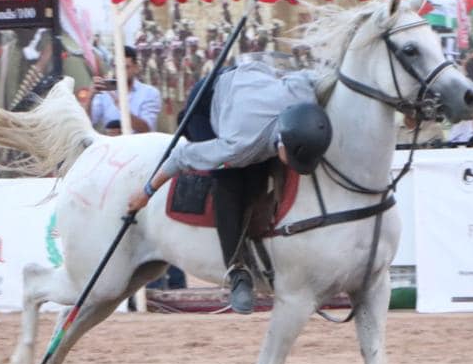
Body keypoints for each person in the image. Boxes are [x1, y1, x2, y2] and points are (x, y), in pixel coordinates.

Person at [127, 59, 332, 315]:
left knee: (258, 172)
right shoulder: (240, 146)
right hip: (206, 102)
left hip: (248, 84)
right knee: (231, 180)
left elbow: (329, 78)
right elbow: (181, 158)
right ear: (281, 144)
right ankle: (237, 272)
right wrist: (146, 193)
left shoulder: (306, 91)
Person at [89, 45, 162, 134]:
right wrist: (90, 97)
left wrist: (121, 106)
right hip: (111, 142)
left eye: (126, 67)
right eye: (116, 67)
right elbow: (88, 122)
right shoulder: (105, 93)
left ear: (136, 68)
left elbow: (147, 129)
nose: (120, 71)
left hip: (138, 142)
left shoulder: (150, 93)